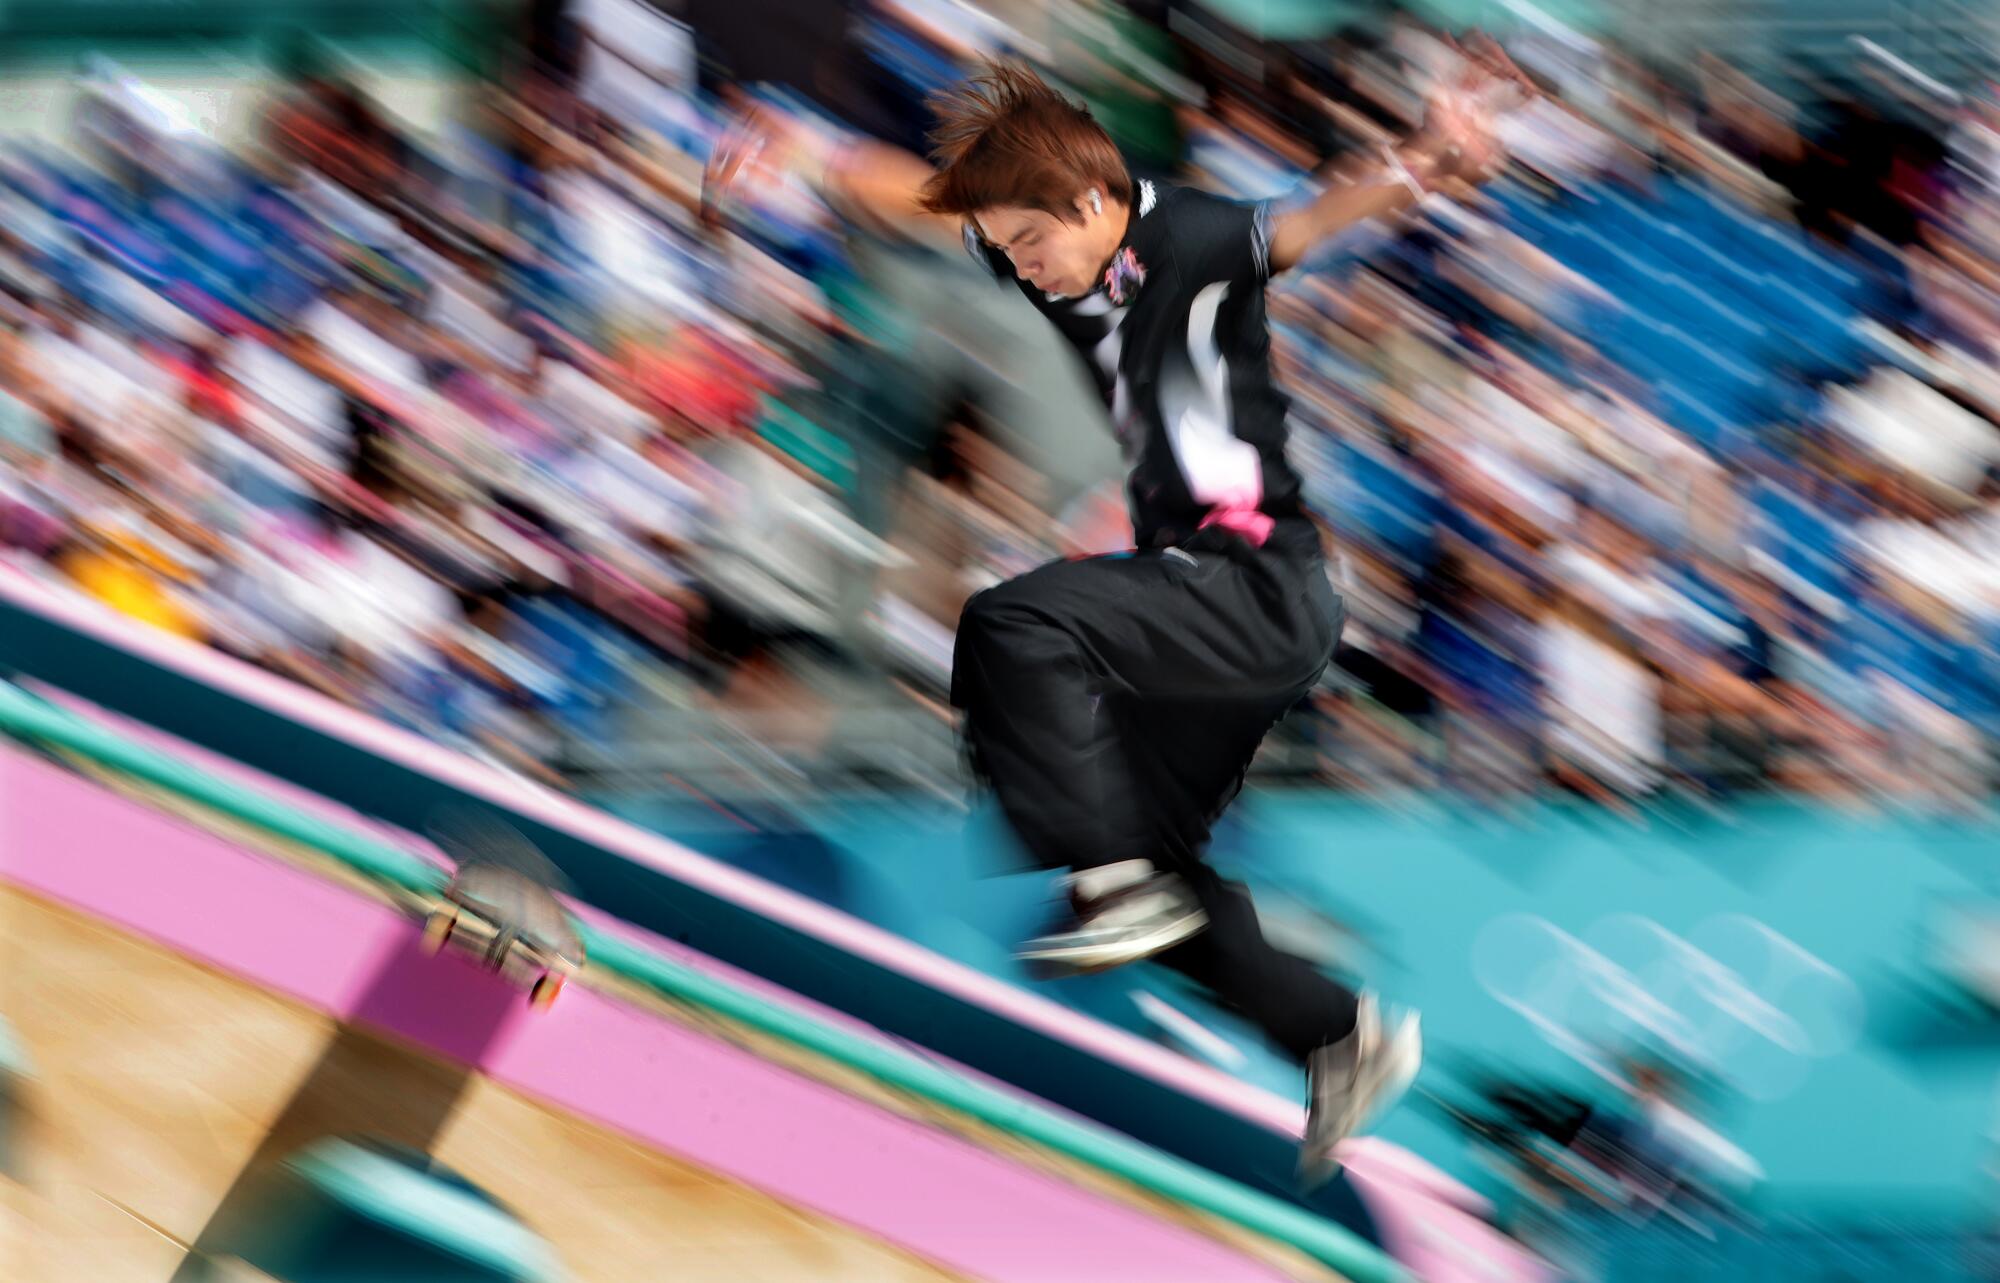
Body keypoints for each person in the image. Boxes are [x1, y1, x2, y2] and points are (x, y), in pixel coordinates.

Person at [706, 45, 1529, 1182]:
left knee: (1011, 625)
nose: (1028, 278)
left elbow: (1297, 228)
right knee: (1142, 875)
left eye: (1034, 249)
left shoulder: (1179, 239)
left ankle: (1122, 880)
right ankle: (1332, 1035)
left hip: (1253, 584)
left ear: (1090, 205)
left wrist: (1428, 158)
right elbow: (926, 205)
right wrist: (810, 152)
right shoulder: (1058, 252)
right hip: (1210, 607)